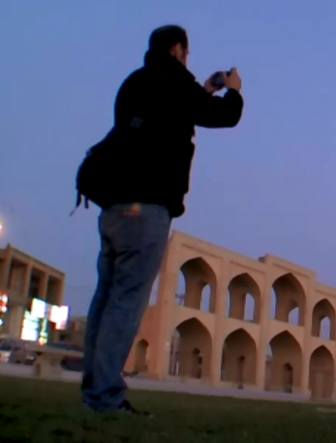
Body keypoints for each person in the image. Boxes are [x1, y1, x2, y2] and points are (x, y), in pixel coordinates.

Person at [76, 25, 244, 416]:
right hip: (146, 208)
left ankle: (94, 392)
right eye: (186, 53)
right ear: (175, 49)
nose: (187, 60)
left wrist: (202, 89)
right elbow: (224, 117)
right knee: (126, 303)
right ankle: (105, 398)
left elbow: (166, 117)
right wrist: (233, 88)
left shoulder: (134, 83)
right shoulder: (174, 81)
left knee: (105, 299)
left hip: (113, 207)